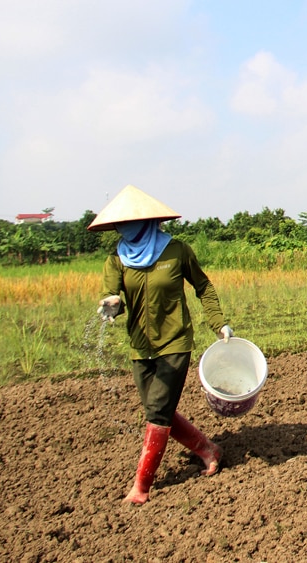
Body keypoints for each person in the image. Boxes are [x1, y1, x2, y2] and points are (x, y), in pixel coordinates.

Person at [88, 184, 233, 505]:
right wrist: (112, 303)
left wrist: (218, 322)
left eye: (129, 223)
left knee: (157, 411)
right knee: (159, 409)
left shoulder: (176, 251)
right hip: (140, 345)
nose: (123, 229)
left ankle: (141, 486)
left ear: (147, 221)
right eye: (119, 224)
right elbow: (113, 293)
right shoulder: (117, 258)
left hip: (175, 342)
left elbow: (203, 286)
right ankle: (208, 449)